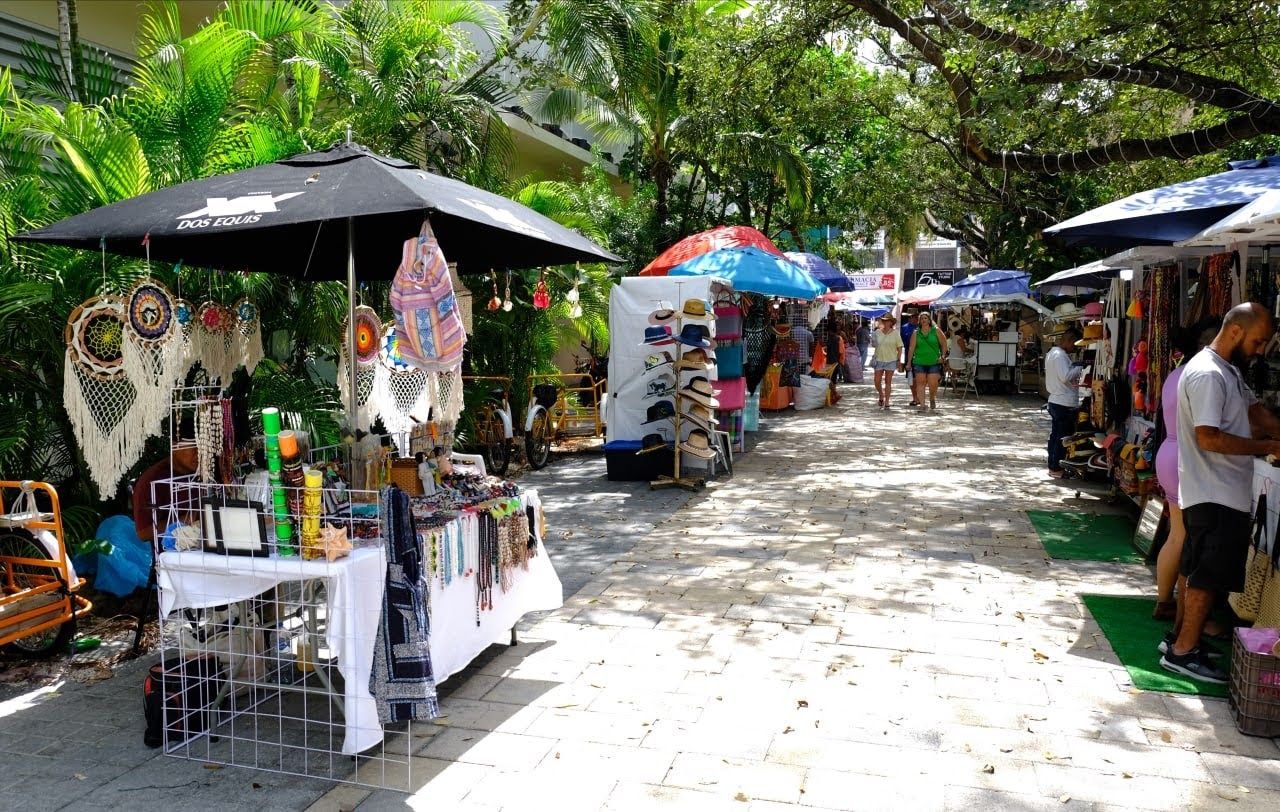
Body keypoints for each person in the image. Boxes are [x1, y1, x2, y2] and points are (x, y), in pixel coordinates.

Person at [1162, 303, 1280, 683]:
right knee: (1206, 576)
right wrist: (1265, 447)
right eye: (1258, 341)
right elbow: (1208, 437)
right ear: (1235, 332)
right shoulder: (1208, 374)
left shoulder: (1226, 370)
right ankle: (1183, 653)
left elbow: (1254, 411)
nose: (1261, 350)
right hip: (1213, 491)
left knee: (1198, 570)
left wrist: (1275, 433)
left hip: (1217, 490)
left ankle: (1181, 640)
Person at [1152, 319, 1222, 625]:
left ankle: (1164, 601)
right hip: (1187, 458)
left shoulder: (1177, 374)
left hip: (1168, 454)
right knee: (1192, 540)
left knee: (1177, 535)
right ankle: (1192, 618)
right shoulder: (1204, 376)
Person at [1044, 326, 1083, 478]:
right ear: (1070, 340)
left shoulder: (1054, 353)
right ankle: (1056, 468)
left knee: (1056, 435)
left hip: (1058, 400)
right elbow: (1065, 376)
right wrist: (1080, 366)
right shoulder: (1059, 355)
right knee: (1062, 437)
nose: (1075, 348)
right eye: (1075, 345)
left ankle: (1053, 466)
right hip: (1063, 402)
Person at [907, 312, 947, 411]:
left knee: (933, 383)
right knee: (920, 383)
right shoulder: (916, 333)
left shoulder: (936, 330)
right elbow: (911, 348)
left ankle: (932, 397)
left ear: (929, 320)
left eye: (925, 318)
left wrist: (943, 356)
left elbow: (944, 344)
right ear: (919, 321)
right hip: (919, 361)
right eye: (921, 319)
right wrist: (908, 362)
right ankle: (922, 405)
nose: (923, 320)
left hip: (934, 361)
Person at [871, 314, 904, 409]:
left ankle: (887, 400)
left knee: (888, 381)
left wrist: (898, 359)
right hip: (879, 359)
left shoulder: (895, 333)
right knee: (877, 381)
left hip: (891, 359)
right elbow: (874, 344)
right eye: (884, 320)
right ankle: (881, 394)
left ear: (891, 322)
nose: (885, 322)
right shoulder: (877, 332)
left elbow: (900, 347)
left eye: (887, 321)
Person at [900, 312, 919, 405]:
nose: (914, 318)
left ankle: (920, 396)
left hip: (921, 355)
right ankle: (915, 397)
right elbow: (902, 341)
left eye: (916, 317)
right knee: (912, 377)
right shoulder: (904, 328)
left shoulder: (922, 327)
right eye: (912, 317)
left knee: (921, 377)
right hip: (909, 355)